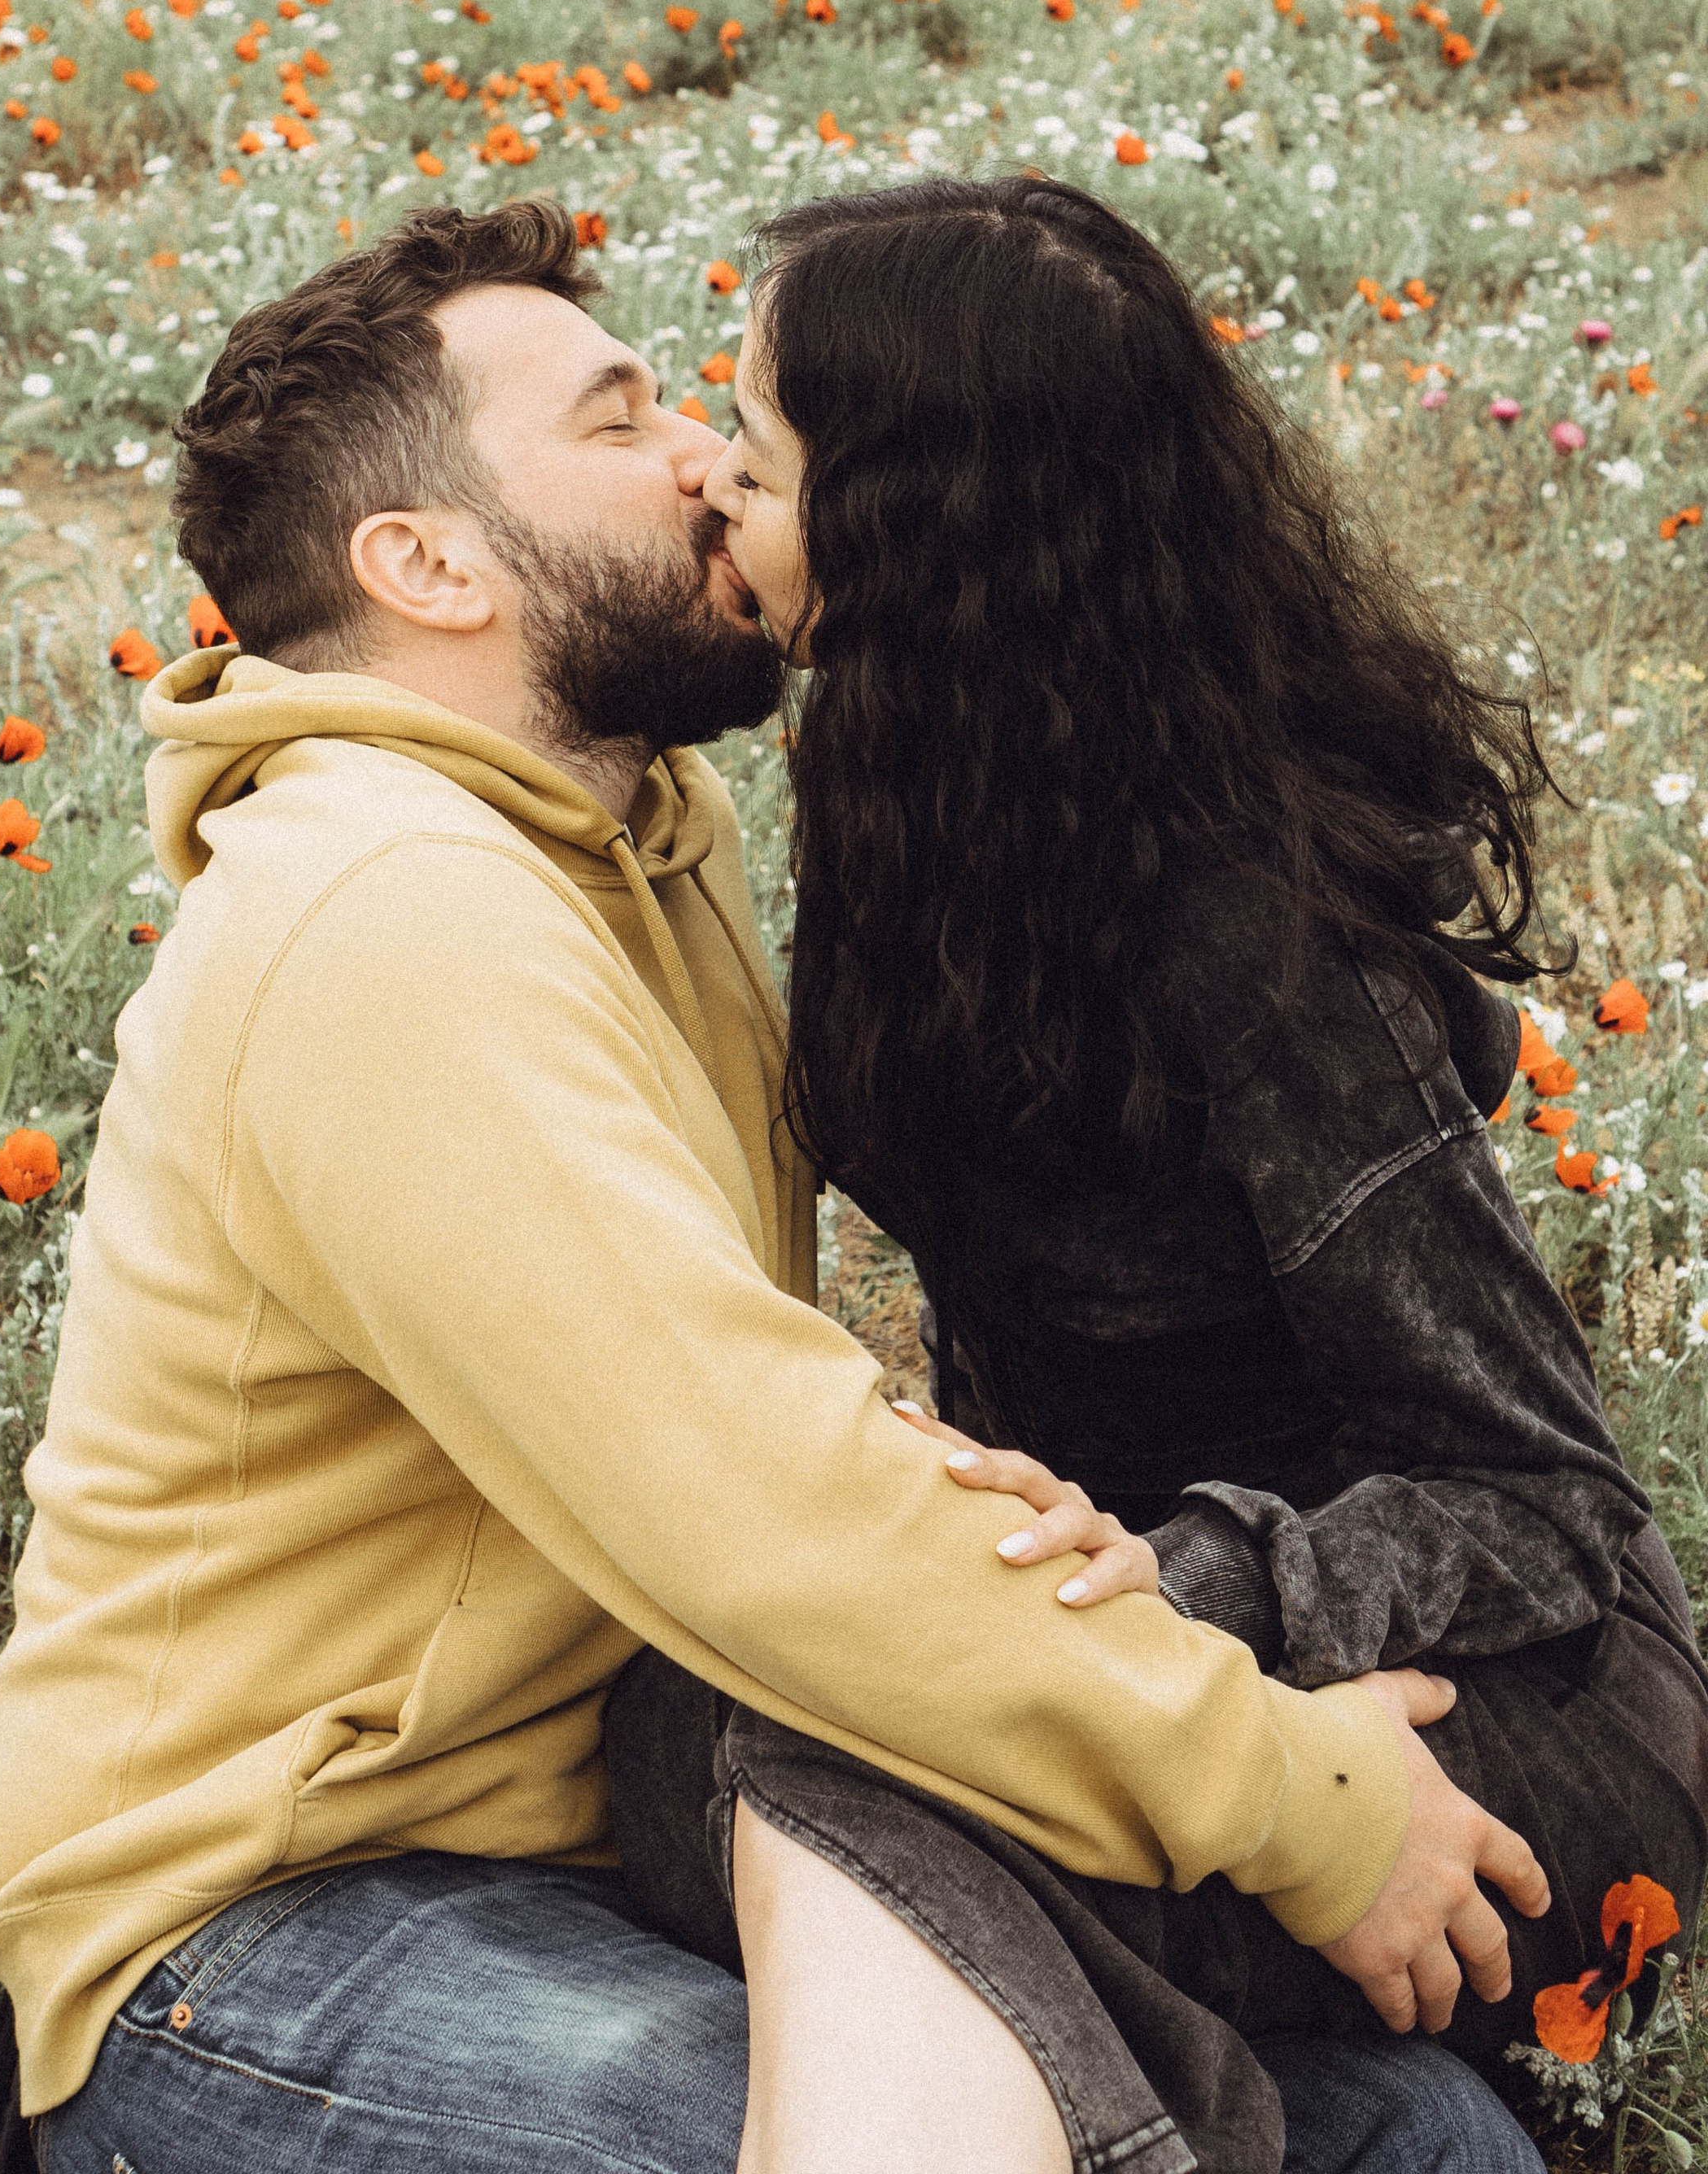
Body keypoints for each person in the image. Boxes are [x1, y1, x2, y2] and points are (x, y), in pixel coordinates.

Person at [0, 198, 1546, 2174]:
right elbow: (753, 1497)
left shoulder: (637, 836)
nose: (712, 459)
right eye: (623, 423)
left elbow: (738, 1419)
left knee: (1409, 2134)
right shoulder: (379, 913)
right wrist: (1296, 1793)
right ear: (428, 563)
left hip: (621, 1830)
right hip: (269, 1925)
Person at [631, 168, 1708, 2172]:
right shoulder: (915, 786)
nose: (703, 475)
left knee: (789, 1787)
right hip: (1123, 1671)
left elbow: (1543, 1500)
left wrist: (1189, 1586)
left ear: (921, 536)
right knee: (683, 1740)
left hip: (1468, 1707)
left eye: (756, 455)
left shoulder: (1254, 925)